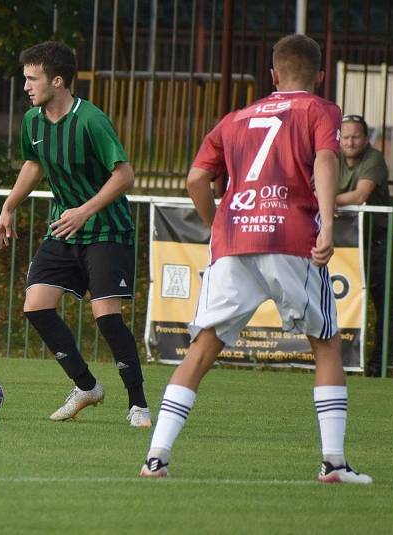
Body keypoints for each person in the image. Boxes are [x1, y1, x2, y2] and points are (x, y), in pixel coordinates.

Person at [139, 34, 371, 483]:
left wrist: (217, 226)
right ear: (320, 76)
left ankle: (156, 458)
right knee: (325, 344)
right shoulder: (320, 109)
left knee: (203, 348)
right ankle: (334, 464)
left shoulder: (236, 117)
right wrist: (326, 219)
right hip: (290, 236)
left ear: (272, 76)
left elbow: (195, 179)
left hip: (234, 241)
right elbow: (326, 158)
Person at [0, 41, 151, 427]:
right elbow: (34, 163)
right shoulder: (33, 121)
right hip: (66, 227)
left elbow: (124, 175)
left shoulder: (91, 119)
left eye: (33, 79)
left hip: (106, 228)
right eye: (25, 78)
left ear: (57, 81)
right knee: (36, 305)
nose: (26, 86)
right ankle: (86, 386)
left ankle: (139, 404)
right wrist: (10, 205)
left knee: (107, 318)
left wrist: (84, 210)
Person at [336, 115, 393, 377]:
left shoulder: (374, 158)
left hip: (379, 243)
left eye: (355, 136)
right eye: (345, 136)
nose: (350, 142)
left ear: (365, 139)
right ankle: (340, 362)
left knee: (383, 305)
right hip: (345, 246)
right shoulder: (331, 157)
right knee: (338, 303)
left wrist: (326, 199)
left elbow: (361, 195)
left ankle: (379, 366)